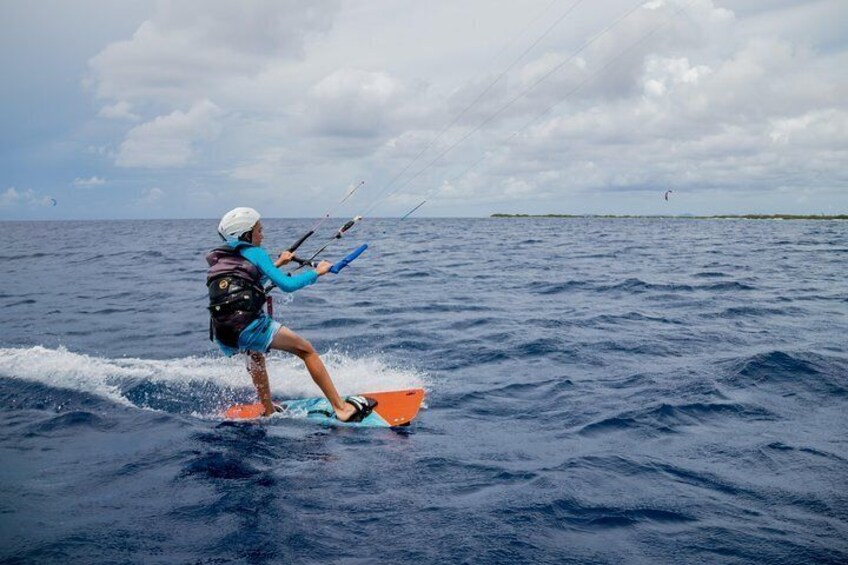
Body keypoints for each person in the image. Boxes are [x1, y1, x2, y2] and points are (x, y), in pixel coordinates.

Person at [206, 207, 375, 420]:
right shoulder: (255, 252)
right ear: (246, 234)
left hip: (223, 332)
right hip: (247, 325)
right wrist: (317, 272)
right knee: (306, 351)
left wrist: (277, 264)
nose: (263, 234)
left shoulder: (223, 259)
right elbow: (287, 285)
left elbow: (250, 282)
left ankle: (267, 410)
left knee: (256, 355)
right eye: (259, 229)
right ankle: (342, 409)